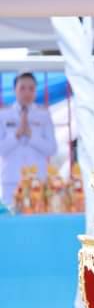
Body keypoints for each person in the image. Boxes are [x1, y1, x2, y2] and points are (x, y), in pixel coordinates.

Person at [0, 72, 57, 207]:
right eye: (22, 88)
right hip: (12, 180)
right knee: (11, 220)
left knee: (37, 221)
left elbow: (52, 149)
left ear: (36, 91)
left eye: (31, 88)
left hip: (37, 180)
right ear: (15, 90)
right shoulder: (3, 115)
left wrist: (32, 136)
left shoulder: (44, 115)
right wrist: (16, 135)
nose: (27, 93)